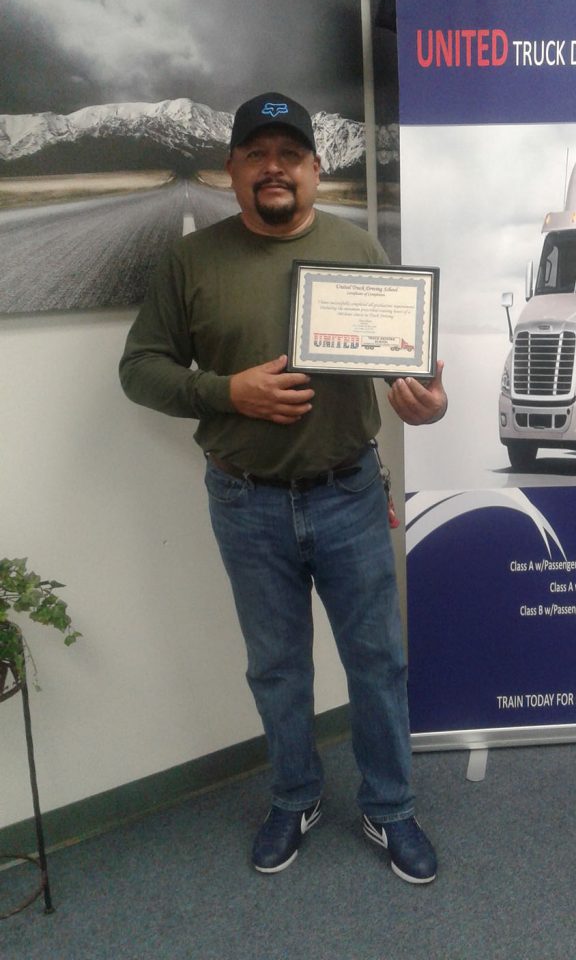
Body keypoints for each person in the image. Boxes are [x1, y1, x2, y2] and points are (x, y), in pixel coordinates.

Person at [119, 92, 446, 884]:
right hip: (245, 502)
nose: (274, 168)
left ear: (314, 168)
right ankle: (295, 796)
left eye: (289, 155)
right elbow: (140, 370)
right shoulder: (191, 262)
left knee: (377, 661)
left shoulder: (357, 250)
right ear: (231, 169)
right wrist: (227, 392)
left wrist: (427, 404)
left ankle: (389, 805)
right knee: (275, 667)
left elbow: (407, 373)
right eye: (257, 154)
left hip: (347, 493)